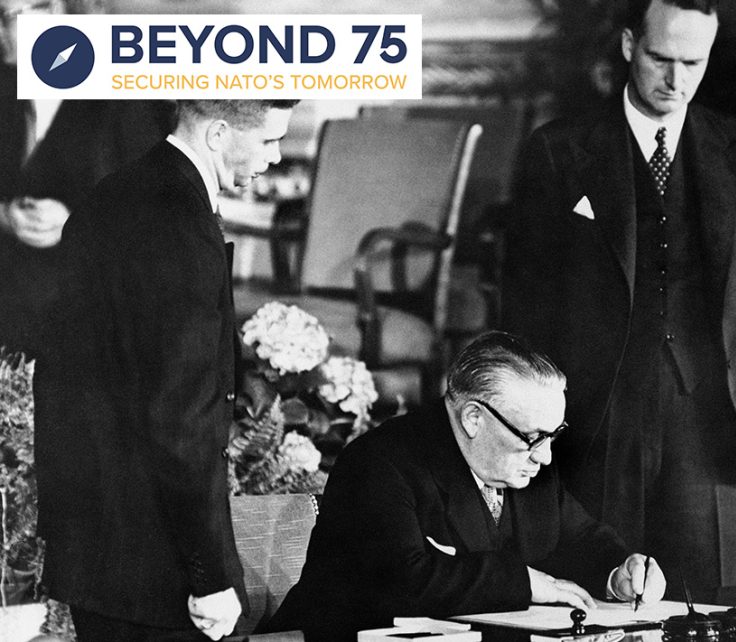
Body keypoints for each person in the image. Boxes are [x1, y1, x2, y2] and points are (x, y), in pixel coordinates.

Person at [503, 0, 736, 595]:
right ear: (630, 44)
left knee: (718, 606)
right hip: (595, 419)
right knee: (592, 599)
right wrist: (527, 433)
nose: (676, 80)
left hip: (714, 420)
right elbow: (524, 305)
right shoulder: (557, 148)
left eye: (694, 62)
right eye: (661, 58)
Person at [33, 99, 298, 641]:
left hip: (96, 547)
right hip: (155, 572)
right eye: (269, 141)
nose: (275, 159)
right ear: (220, 133)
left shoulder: (115, 193)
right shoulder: (180, 224)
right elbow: (181, 418)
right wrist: (210, 576)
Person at [265, 331, 667, 641]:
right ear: (474, 418)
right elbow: (403, 582)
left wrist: (619, 571)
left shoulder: (527, 462)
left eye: (554, 435)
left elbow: (579, 538)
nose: (544, 457)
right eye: (532, 438)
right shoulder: (380, 463)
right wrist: (526, 583)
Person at [0, 0, 173, 356]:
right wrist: (5, 216)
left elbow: (162, 214)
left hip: (97, 304)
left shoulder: (127, 97)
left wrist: (74, 222)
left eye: (8, 17)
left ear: (59, 14)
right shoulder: (5, 85)